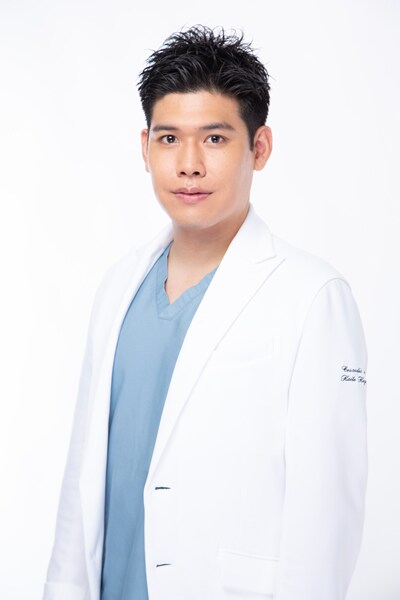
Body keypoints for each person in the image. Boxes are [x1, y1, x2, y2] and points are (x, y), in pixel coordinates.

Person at [43, 25, 368, 600]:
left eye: (215, 139)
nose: (188, 164)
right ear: (145, 148)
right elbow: (83, 481)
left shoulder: (313, 296)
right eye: (169, 138)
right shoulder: (119, 285)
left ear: (259, 148)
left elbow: (326, 515)